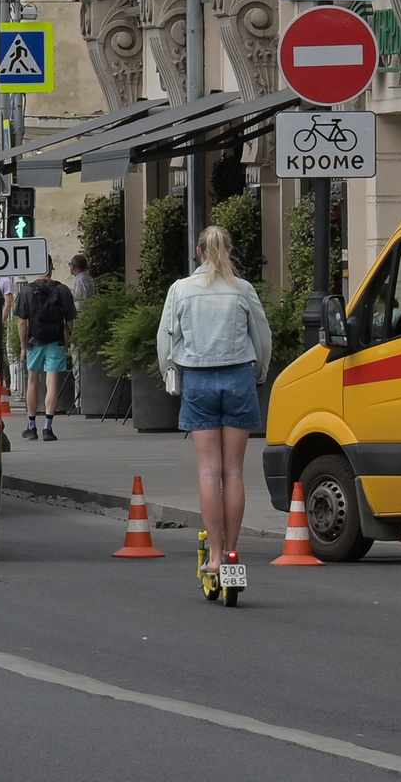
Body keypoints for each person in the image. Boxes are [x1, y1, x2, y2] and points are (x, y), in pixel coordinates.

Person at [157, 225, 274, 588]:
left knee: (209, 472)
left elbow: (166, 337)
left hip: (198, 380)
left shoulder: (180, 290)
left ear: (199, 251)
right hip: (238, 377)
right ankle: (234, 551)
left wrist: (169, 374)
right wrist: (259, 372)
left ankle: (217, 555)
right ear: (229, 251)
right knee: (234, 472)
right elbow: (262, 335)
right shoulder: (243, 290)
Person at [11, 261, 77, 440]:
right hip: (56, 341)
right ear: (51, 268)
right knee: (52, 382)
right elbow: (69, 320)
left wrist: (23, 347)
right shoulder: (63, 290)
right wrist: (66, 341)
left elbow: (22, 322)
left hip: (34, 342)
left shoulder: (26, 291)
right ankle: (48, 428)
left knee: (32, 381)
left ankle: (31, 427)